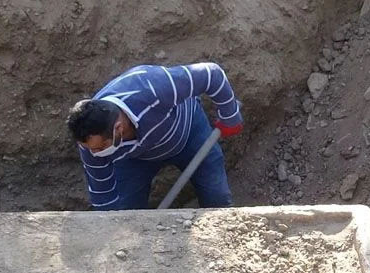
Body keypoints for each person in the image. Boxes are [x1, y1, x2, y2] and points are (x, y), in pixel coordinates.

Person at [67, 62, 243, 211]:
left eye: (101, 148)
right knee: (124, 212)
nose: (95, 153)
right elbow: (103, 196)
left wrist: (230, 116)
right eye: (92, 149)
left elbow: (211, 74)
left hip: (190, 134)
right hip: (135, 159)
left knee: (216, 198)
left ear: (118, 128)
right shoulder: (89, 141)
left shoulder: (152, 86)